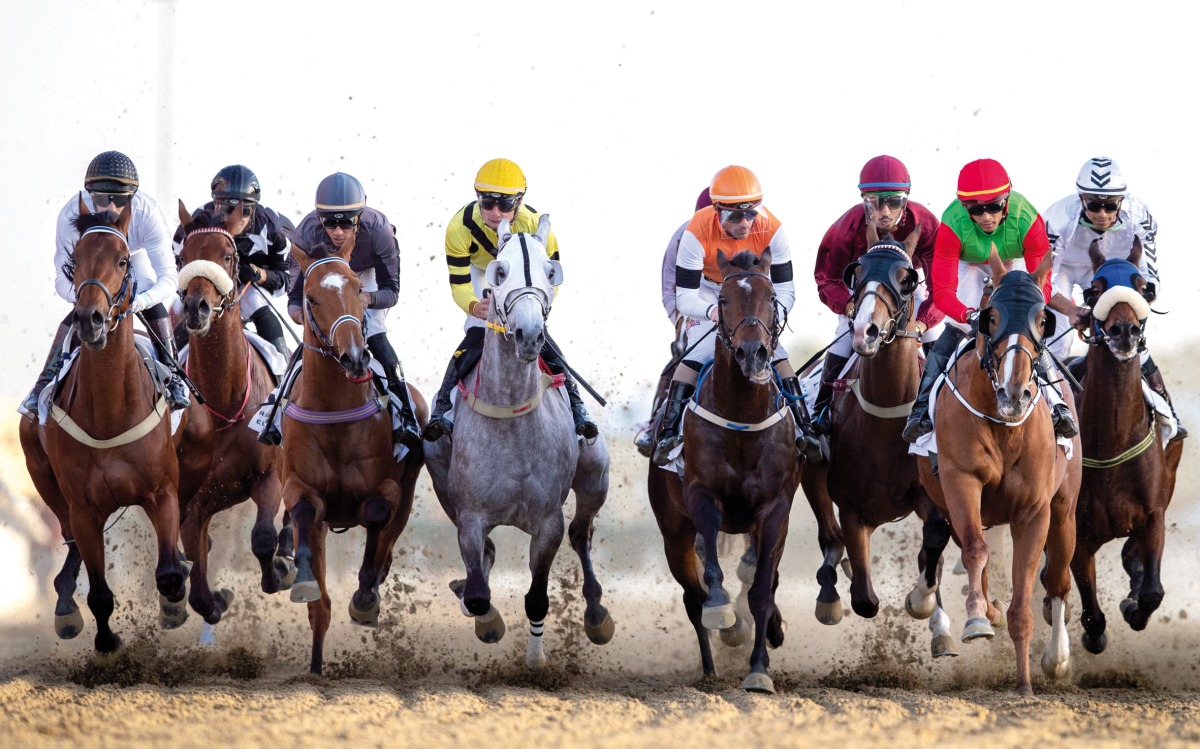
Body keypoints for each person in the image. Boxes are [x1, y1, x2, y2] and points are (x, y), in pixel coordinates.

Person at [901, 158, 1078, 443]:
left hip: (1015, 265)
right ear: (964, 207)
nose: (985, 216)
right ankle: (921, 410)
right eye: (976, 209)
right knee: (955, 329)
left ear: (1007, 199)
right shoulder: (952, 223)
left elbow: (1042, 288)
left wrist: (1022, 311)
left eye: (994, 206)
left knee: (1028, 328)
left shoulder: (1028, 219)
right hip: (969, 266)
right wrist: (967, 315)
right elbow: (943, 293)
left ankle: (1058, 405)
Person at [651, 165, 819, 466]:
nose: (744, 223)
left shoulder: (774, 229)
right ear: (716, 211)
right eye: (734, 216)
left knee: (777, 353)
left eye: (751, 214)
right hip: (707, 293)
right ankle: (669, 433)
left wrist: (768, 320)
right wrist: (714, 311)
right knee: (699, 351)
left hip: (754, 298)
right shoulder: (693, 232)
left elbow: (787, 291)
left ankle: (807, 429)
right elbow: (683, 296)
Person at [422, 158, 598, 442]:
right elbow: (459, 283)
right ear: (477, 197)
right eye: (487, 203)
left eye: (505, 205)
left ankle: (578, 408)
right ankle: (442, 407)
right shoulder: (458, 227)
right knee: (477, 331)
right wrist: (473, 306)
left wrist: (534, 312)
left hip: (521, 280)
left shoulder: (535, 225)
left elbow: (549, 279)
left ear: (520, 201)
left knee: (538, 332)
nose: (496, 213)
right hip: (483, 273)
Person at [21, 150, 186, 420]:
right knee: (81, 313)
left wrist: (138, 302)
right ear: (89, 195)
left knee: (153, 304)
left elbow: (169, 277)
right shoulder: (71, 215)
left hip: (134, 256)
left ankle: (175, 377)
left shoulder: (147, 213)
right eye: (101, 198)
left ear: (132, 198)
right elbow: (61, 278)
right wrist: (87, 298)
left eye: (119, 200)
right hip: (93, 268)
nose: (110, 207)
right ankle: (43, 382)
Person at [263, 172, 420, 449]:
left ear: (359, 217)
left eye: (346, 223)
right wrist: (303, 317)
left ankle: (407, 417)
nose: (337, 232)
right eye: (330, 223)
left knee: (376, 335)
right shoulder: (306, 233)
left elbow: (391, 291)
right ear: (319, 219)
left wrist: (363, 300)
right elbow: (295, 298)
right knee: (308, 347)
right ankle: (272, 414)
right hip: (323, 279)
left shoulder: (380, 231)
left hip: (363, 281)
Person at [1044, 156, 1185, 440]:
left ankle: (1165, 406)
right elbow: (1043, 283)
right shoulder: (1056, 219)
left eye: (1110, 205)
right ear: (1080, 198)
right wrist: (1072, 311)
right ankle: (1051, 415)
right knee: (1059, 339)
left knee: (1129, 334)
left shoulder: (1141, 216)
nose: (1103, 214)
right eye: (1094, 205)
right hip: (1065, 269)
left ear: (1123, 201)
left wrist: (1125, 308)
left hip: (1115, 266)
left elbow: (1151, 282)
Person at [811, 155, 944, 435]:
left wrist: (922, 323)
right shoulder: (845, 227)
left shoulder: (927, 225)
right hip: (863, 289)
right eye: (874, 201)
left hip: (905, 287)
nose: (884, 210)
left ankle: (944, 412)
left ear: (906, 199)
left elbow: (941, 287)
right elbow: (826, 278)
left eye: (893, 201)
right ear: (863, 199)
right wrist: (848, 307)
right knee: (844, 339)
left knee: (936, 336)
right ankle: (821, 412)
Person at [173, 164, 294, 356]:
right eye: (227, 209)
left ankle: (282, 368)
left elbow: (285, 282)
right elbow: (178, 266)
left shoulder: (274, 229)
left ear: (254, 208)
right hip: (209, 282)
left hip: (248, 286)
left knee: (255, 302)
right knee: (181, 306)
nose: (236, 217)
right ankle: (168, 366)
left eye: (244, 210)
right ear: (215, 206)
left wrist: (259, 274)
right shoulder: (199, 220)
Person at [633, 186, 713, 457]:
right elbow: (670, 288)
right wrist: (680, 321)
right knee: (680, 356)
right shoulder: (682, 238)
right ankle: (658, 420)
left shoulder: (748, 233)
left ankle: (799, 421)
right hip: (694, 314)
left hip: (737, 316)